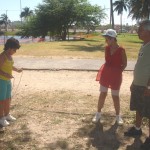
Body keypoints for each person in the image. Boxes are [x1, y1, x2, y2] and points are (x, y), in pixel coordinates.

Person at [92, 29, 127, 125]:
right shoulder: (107, 48)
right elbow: (107, 61)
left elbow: (124, 63)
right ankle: (98, 114)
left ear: (113, 39)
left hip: (116, 75)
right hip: (106, 73)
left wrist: (118, 72)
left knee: (115, 96)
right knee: (102, 94)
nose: (105, 41)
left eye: (107, 38)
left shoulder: (121, 50)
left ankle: (118, 116)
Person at [124, 20, 150, 149]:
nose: (138, 32)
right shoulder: (144, 45)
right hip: (138, 85)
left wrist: (149, 87)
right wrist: (134, 82)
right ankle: (138, 128)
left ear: (148, 31)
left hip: (147, 87)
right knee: (139, 108)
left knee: (149, 110)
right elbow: (140, 66)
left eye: (140, 30)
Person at [0, 37, 23, 127]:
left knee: (8, 98)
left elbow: (10, 66)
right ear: (9, 48)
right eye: (14, 49)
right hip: (1, 81)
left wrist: (17, 69)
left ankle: (7, 115)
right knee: (1, 100)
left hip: (7, 81)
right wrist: (5, 74)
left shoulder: (10, 56)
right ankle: (1, 118)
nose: (15, 51)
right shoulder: (2, 56)